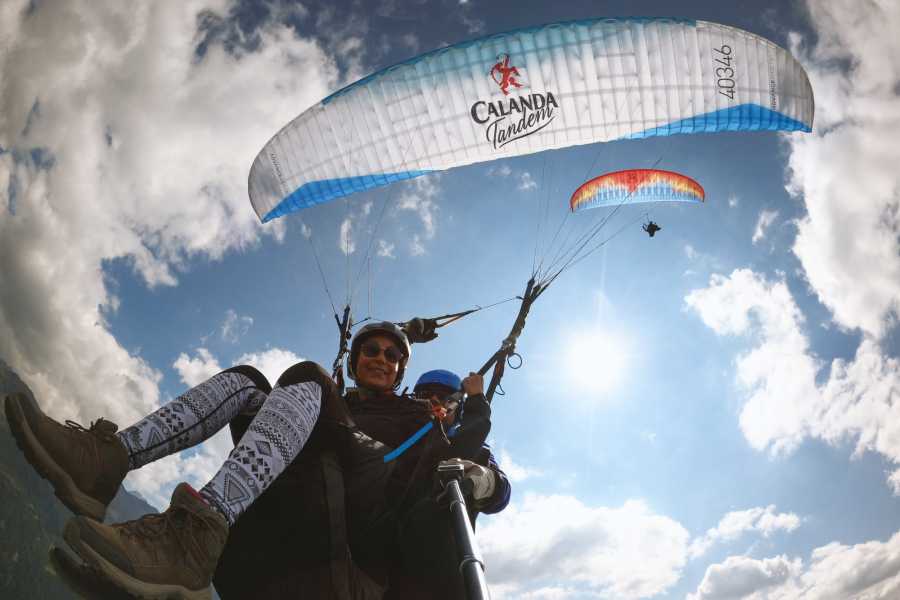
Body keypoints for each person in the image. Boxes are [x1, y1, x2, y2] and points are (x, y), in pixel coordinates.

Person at [3, 321, 415, 599]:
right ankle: (107, 461)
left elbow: (467, 479)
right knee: (249, 382)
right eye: (373, 350)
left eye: (392, 356)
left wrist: (474, 413)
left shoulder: (414, 417)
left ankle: (194, 539)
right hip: (292, 520)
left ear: (400, 373)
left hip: (341, 544)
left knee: (310, 376)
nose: (381, 359)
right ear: (358, 357)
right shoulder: (331, 401)